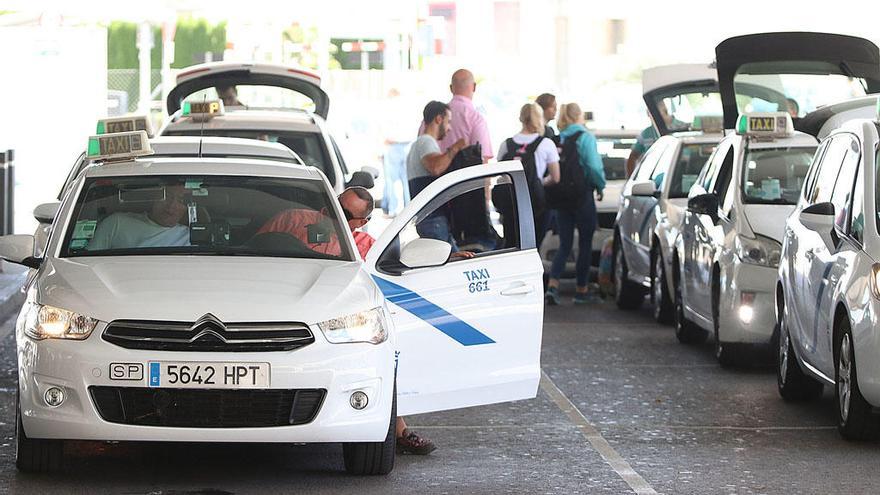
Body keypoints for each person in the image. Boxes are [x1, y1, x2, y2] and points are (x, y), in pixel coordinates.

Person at [335, 186, 438, 455]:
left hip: (350, 322)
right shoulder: (296, 223)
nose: (335, 215)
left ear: (362, 223)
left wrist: (448, 262)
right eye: (336, 206)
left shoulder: (370, 247)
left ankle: (399, 430)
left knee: (389, 357)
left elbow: (405, 268)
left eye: (345, 214)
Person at [545, 102, 606, 305]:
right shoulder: (585, 137)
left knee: (565, 244)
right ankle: (581, 290)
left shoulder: (557, 138)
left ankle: (553, 286)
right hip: (581, 196)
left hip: (561, 197)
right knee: (585, 243)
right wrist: (600, 186)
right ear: (579, 116)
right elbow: (593, 166)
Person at [497, 102, 560, 247]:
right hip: (534, 203)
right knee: (533, 246)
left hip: (510, 203)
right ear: (540, 118)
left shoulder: (506, 144)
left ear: (521, 118)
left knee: (512, 245)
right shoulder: (546, 143)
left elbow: (500, 174)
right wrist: (538, 182)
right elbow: (556, 177)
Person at [408, 101, 467, 248]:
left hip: (430, 218)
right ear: (438, 119)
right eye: (448, 122)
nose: (449, 128)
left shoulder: (419, 143)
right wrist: (456, 147)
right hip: (433, 219)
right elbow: (436, 167)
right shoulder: (425, 141)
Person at [419, 69, 493, 163]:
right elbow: (483, 160)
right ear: (474, 87)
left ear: (451, 88)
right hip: (463, 177)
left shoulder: (431, 117)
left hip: (431, 177)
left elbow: (420, 149)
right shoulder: (476, 119)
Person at [87, 184, 190, 250]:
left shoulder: (193, 237)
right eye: (167, 196)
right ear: (155, 197)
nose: (171, 205)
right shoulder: (116, 223)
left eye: (181, 200)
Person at [381, 88, 413, 217]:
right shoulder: (407, 107)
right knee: (406, 181)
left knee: (391, 181)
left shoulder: (388, 108)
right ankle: (409, 210)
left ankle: (392, 209)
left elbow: (383, 130)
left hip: (393, 145)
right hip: (407, 145)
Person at [625, 105, 672, 177]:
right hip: (652, 177)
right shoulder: (645, 134)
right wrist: (631, 179)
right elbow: (633, 157)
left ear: (665, 112)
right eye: (650, 114)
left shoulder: (679, 128)